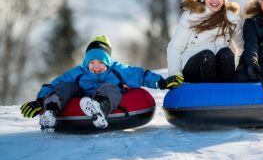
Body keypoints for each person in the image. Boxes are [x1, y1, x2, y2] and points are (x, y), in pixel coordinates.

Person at [20, 35, 183, 131]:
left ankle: (99, 110)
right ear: (86, 62)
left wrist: (162, 83)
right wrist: (40, 101)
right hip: (82, 98)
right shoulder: (78, 72)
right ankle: (51, 112)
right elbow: (53, 85)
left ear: (108, 62)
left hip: (106, 98)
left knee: (110, 87)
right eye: (92, 62)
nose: (96, 66)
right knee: (65, 86)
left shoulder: (117, 70)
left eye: (101, 63)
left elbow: (140, 75)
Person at [167, 0, 243, 83]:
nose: (215, 0)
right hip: (194, 67)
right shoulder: (191, 17)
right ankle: (208, 95)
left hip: (218, 69)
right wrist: (175, 74)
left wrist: (240, 72)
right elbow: (175, 47)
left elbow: (241, 48)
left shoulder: (232, 19)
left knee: (227, 53)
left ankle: (226, 92)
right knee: (207, 56)